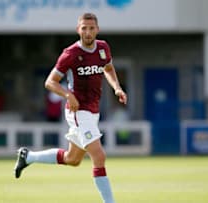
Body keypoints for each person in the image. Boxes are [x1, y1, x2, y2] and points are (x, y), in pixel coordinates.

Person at [14, 13, 127, 203]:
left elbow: (108, 68)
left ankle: (28, 156)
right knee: (99, 155)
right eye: (84, 28)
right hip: (77, 111)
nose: (88, 32)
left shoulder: (103, 48)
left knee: (72, 159)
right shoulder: (71, 54)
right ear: (78, 30)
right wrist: (67, 95)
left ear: (97, 30)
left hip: (93, 112)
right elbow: (50, 82)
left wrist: (117, 87)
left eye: (91, 28)